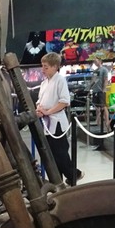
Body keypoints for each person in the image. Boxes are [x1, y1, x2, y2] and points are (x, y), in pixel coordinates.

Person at [35, 52, 83, 184]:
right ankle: (58, 181)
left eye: (46, 67)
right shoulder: (44, 83)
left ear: (55, 66)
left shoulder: (60, 80)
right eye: (42, 66)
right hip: (46, 123)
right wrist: (39, 108)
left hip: (56, 123)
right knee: (51, 155)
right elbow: (40, 100)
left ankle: (73, 174)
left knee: (60, 153)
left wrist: (47, 112)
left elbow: (64, 102)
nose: (43, 70)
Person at [89, 57, 110, 132]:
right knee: (97, 107)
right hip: (95, 91)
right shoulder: (95, 71)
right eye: (94, 61)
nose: (95, 62)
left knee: (103, 106)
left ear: (100, 61)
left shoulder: (104, 69)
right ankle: (98, 122)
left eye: (96, 61)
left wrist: (104, 89)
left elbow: (105, 79)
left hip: (101, 91)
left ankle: (107, 121)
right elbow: (93, 80)